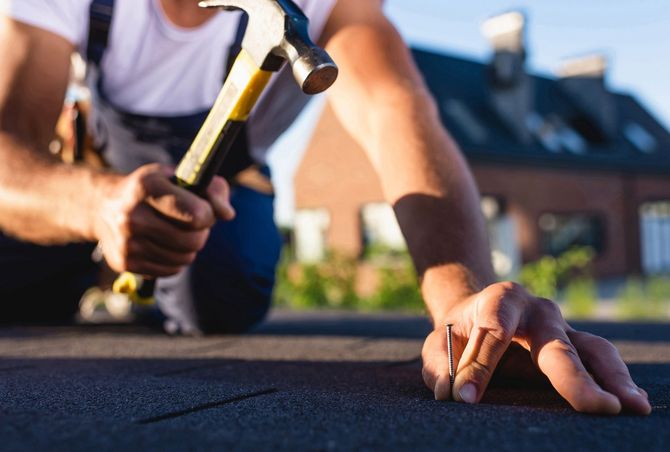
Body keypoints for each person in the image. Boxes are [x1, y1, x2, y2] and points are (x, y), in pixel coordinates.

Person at [0, 0, 651, 415]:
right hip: (93, 175)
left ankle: (161, 255)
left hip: (223, 184)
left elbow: (395, 110)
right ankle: (91, 264)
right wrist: (98, 204)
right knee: (16, 277)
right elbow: (10, 151)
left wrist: (465, 300)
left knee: (223, 290)